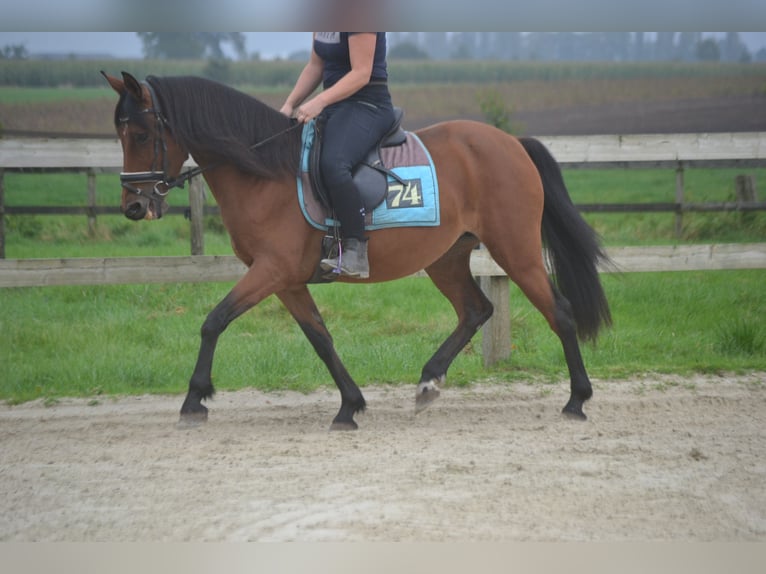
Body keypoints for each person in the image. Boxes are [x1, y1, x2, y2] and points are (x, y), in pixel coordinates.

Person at [280, 32, 395, 279]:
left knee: (334, 164)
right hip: (335, 106)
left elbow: (361, 73)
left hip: (367, 105)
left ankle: (355, 249)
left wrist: (319, 101)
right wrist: (289, 105)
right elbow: (316, 65)